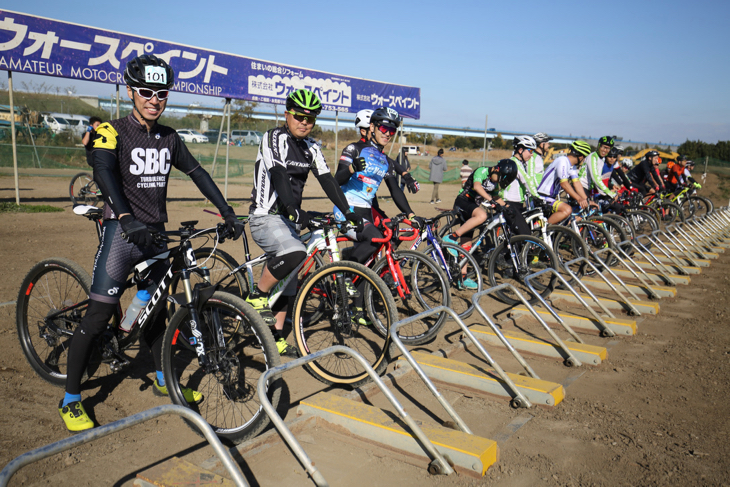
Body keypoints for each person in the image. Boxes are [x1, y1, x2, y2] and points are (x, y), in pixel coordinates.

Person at [58, 54, 244, 433]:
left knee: (156, 310)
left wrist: (226, 211)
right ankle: (71, 398)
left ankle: (163, 377)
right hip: (122, 234)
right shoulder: (112, 131)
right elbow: (104, 172)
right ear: (130, 91)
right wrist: (126, 218)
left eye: (161, 93)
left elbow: (198, 172)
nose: (154, 99)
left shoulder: (169, 137)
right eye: (146, 91)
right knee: (96, 317)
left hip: (155, 234)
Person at [246, 88, 359, 356]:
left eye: (310, 118)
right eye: (298, 116)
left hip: (289, 220)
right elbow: (278, 175)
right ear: (287, 114)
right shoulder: (273, 137)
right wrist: (292, 209)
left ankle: (274, 338)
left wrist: (348, 210)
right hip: (266, 217)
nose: (304, 122)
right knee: (296, 253)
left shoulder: (311, 147)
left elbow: (328, 180)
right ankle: (257, 296)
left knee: (290, 281)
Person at [335, 107, 429, 312]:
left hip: (366, 211)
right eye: (384, 128)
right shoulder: (354, 149)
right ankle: (343, 276)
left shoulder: (384, 160)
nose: (387, 133)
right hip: (346, 208)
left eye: (392, 130)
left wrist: (410, 214)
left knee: (375, 253)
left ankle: (359, 310)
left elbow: (395, 190)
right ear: (372, 127)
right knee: (374, 239)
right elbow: (336, 180)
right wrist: (351, 169)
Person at [442, 159, 525, 252]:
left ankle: (460, 266)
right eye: (499, 179)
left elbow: (496, 197)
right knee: (482, 216)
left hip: (472, 208)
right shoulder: (482, 171)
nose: (498, 182)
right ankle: (451, 237)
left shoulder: (495, 184)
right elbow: (477, 187)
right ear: (496, 170)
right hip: (463, 201)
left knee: (465, 249)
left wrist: (507, 206)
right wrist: (490, 200)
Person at [536, 140, 592, 224]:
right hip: (542, 196)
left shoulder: (571, 166)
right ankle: (542, 231)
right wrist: (579, 199)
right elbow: (564, 184)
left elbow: (576, 183)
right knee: (567, 209)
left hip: (550, 198)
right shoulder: (562, 161)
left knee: (569, 215)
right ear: (580, 156)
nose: (583, 160)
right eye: (584, 157)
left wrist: (586, 200)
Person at [502, 136, 541, 222]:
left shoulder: (520, 163)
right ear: (520, 150)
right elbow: (526, 180)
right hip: (511, 202)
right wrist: (538, 197)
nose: (532, 154)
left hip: (517, 202)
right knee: (525, 233)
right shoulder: (514, 162)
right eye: (530, 151)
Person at [578, 135, 617, 201]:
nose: (605, 150)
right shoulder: (593, 157)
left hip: (588, 188)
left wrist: (604, 193)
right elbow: (595, 177)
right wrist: (609, 192)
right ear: (599, 146)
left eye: (608, 148)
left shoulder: (602, 159)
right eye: (604, 147)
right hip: (581, 186)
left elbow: (598, 178)